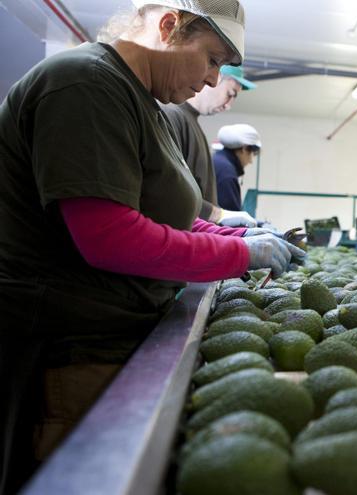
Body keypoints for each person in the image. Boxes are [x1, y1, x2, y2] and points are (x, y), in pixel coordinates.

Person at [0, 2, 303, 492]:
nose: (211, 80)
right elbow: (110, 237)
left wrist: (238, 236)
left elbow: (168, 219)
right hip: (64, 347)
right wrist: (240, 255)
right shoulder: (84, 84)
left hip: (110, 335)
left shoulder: (144, 104)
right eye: (211, 59)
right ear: (169, 27)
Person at [161, 65, 259, 227]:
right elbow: (171, 190)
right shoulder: (172, 115)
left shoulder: (191, 122)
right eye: (230, 94)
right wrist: (216, 214)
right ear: (215, 77)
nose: (228, 105)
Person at [214, 123, 261, 212]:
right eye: (252, 154)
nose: (250, 161)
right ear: (244, 149)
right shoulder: (226, 172)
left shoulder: (217, 161)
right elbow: (230, 218)